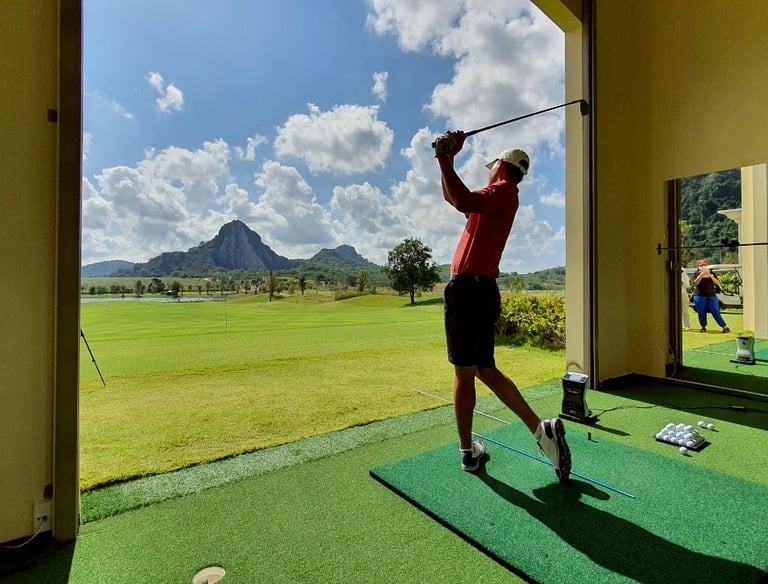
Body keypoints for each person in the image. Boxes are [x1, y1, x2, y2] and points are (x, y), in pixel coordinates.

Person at [434, 130, 571, 481]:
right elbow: (456, 199)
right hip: (474, 290)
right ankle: (540, 432)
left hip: (469, 291)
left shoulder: (502, 191)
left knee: (468, 375)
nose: (488, 171)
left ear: (499, 165)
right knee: (481, 371)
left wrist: (444, 156)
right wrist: (446, 159)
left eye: (490, 165)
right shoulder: (495, 198)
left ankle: (472, 451)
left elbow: (462, 199)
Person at [692, 259, 730, 333]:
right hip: (699, 295)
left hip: (711, 295)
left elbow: (717, 282)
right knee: (701, 312)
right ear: (698, 266)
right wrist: (701, 275)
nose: (703, 266)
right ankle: (703, 326)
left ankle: (724, 326)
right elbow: (695, 283)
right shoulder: (696, 273)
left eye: (704, 265)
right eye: (701, 265)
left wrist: (710, 276)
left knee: (715, 311)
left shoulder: (712, 273)